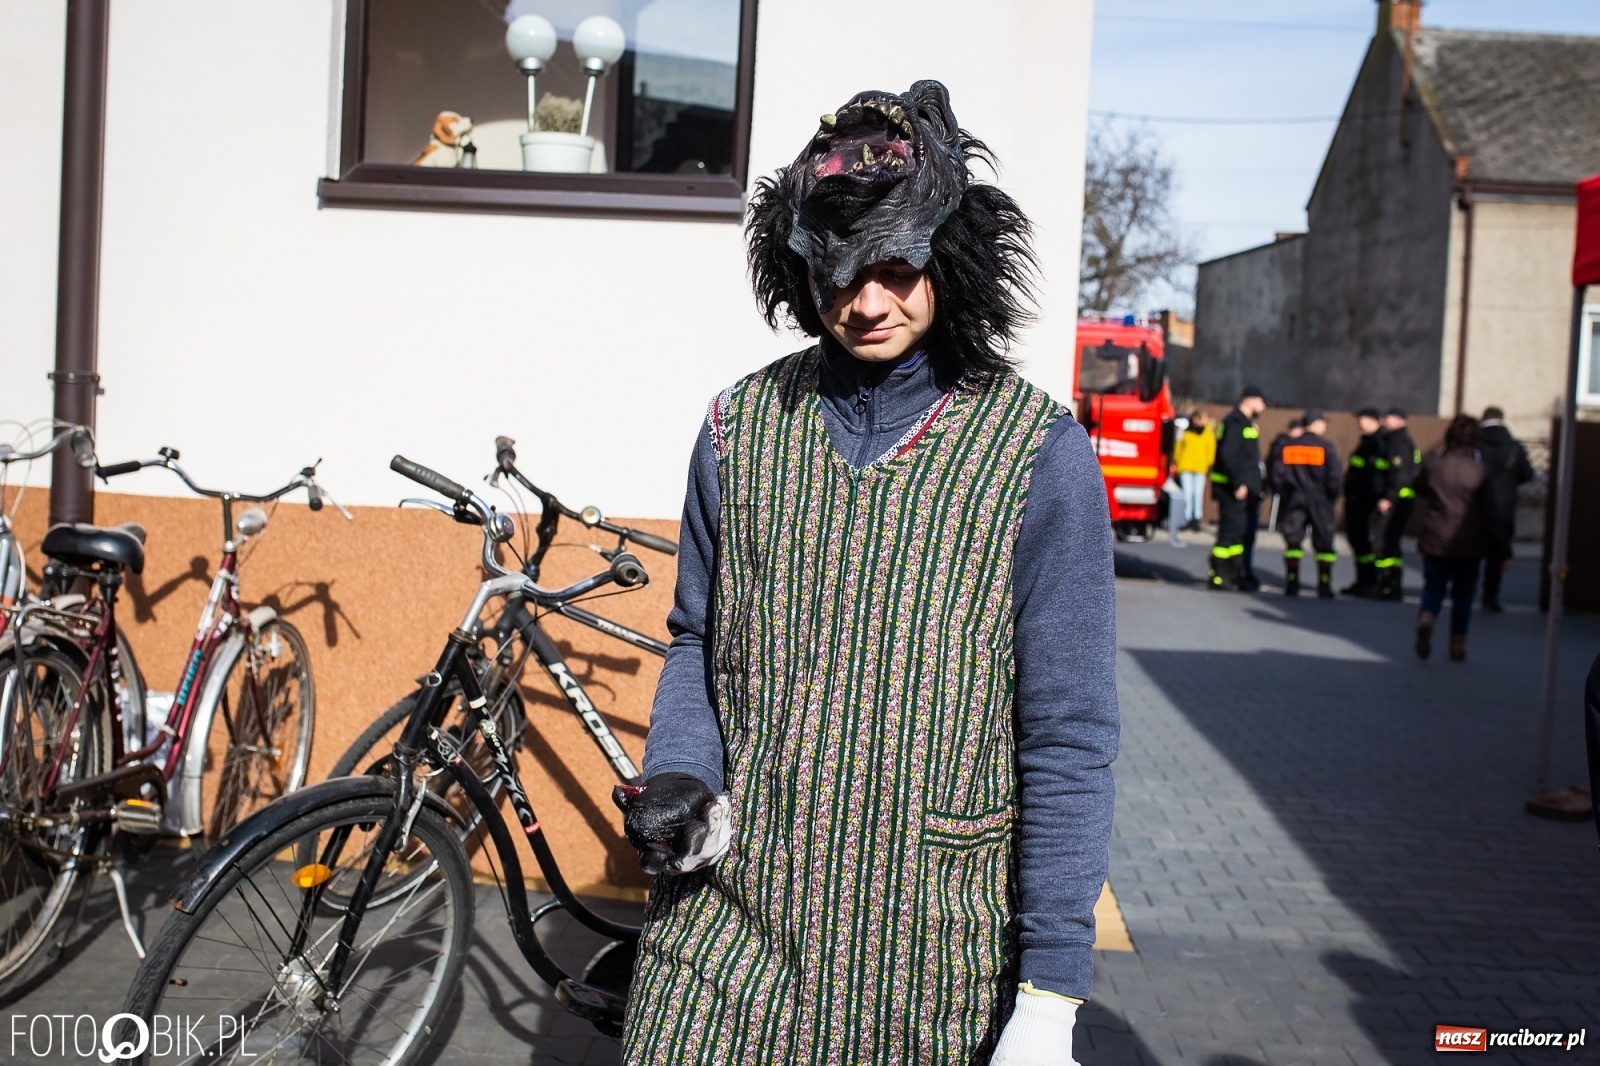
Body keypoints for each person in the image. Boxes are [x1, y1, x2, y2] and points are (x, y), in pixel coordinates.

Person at [614, 80, 1119, 1065]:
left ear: (950, 255)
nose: (868, 299)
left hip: (931, 957)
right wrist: (681, 765)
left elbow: (1068, 737)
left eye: (896, 264)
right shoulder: (739, 431)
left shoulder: (1037, 454)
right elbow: (697, 638)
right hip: (729, 924)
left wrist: (1052, 990)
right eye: (838, 270)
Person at [1413, 414, 1490, 661]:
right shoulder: (1479, 471)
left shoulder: (1435, 464)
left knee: (1434, 586)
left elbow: (1418, 488)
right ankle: (1457, 643)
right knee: (1463, 595)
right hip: (1469, 541)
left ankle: (1427, 615)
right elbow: (1491, 509)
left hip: (1436, 536)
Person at [1270, 409, 1341, 598]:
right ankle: (1324, 585)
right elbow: (1334, 476)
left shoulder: (1288, 447)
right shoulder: (1326, 447)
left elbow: (1277, 475)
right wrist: (1330, 498)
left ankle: (1292, 582)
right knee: (1324, 543)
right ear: (1316, 423)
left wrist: (1284, 494)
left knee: (1293, 541)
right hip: (1320, 499)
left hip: (1294, 497)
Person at [1475, 406, 1534, 612]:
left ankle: (1465, 590)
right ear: (1502, 420)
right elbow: (1528, 474)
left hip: (1475, 503)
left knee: (1471, 549)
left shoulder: (1475, 442)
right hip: (1503, 503)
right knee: (1496, 552)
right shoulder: (1513, 446)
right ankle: (1490, 596)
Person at [1209, 386, 1266, 591]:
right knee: (1228, 533)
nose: (1264, 407)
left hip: (1240, 490)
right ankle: (1218, 575)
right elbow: (1228, 456)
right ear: (1250, 400)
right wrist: (1238, 483)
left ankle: (1232, 574)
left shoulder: (1244, 423)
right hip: (1232, 489)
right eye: (1261, 402)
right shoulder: (1235, 422)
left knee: (1236, 534)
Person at [1373, 406, 1420, 601]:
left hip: (1396, 502)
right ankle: (1388, 585)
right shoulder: (1392, 440)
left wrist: (1388, 498)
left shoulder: (1399, 442)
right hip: (1397, 500)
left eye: (1389, 417)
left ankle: (1388, 586)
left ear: (1401, 421)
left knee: (1385, 542)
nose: (1384, 420)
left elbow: (1399, 474)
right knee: (1388, 542)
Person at [1341, 407, 1384, 597]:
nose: (1359, 422)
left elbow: (1375, 476)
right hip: (1356, 500)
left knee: (1366, 543)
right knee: (1357, 542)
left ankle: (1371, 581)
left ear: (1375, 421)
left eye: (1363, 418)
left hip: (1366, 502)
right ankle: (1362, 580)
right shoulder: (1365, 442)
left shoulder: (1378, 444)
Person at [1172, 409, 1215, 532]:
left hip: (1200, 467)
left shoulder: (1207, 432)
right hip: (1186, 465)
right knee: (1187, 493)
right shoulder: (1185, 431)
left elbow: (1210, 449)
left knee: (1197, 493)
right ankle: (1186, 517)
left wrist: (1209, 464)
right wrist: (1177, 462)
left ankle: (1196, 518)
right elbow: (1178, 448)